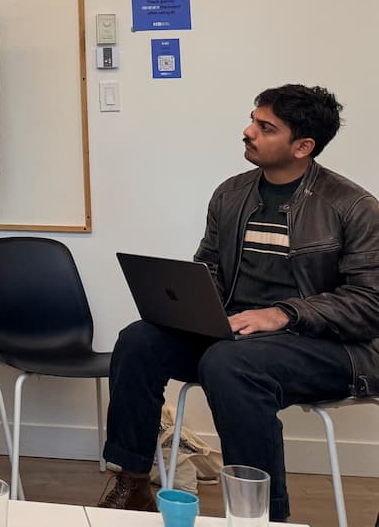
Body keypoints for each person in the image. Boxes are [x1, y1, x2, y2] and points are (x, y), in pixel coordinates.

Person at [98, 85, 379, 520]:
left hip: (327, 345)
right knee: (139, 340)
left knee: (229, 364)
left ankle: (261, 516)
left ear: (302, 146)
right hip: (237, 333)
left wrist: (283, 313)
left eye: (266, 127)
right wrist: (189, 304)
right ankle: (132, 483)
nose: (248, 131)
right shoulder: (231, 194)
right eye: (253, 120)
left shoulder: (353, 206)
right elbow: (209, 266)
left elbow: (369, 303)